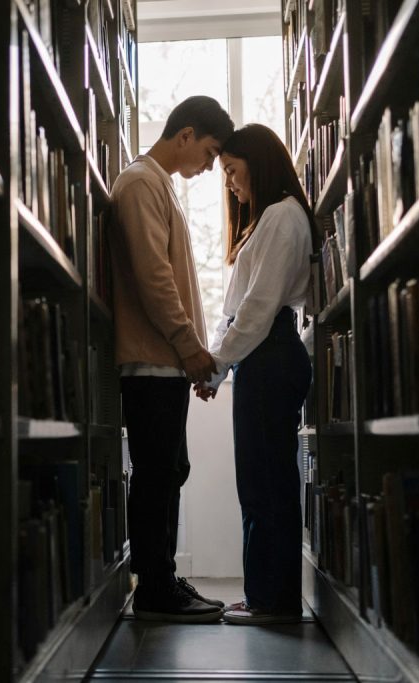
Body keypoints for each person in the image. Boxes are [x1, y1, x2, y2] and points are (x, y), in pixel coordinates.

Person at [109, 95, 234, 622]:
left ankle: (162, 579)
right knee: (157, 473)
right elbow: (154, 278)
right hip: (150, 359)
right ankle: (156, 590)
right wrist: (188, 346)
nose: (208, 167)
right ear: (185, 135)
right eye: (208, 153)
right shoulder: (141, 183)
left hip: (165, 361)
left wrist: (188, 355)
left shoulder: (157, 185)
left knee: (169, 470)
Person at [194, 123, 317, 625]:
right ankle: (265, 594)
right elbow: (240, 311)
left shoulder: (282, 216)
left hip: (271, 356)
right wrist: (219, 367)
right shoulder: (271, 217)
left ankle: (274, 600)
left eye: (231, 169)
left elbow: (257, 309)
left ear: (257, 163)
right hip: (262, 358)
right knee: (261, 479)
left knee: (267, 482)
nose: (228, 182)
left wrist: (217, 365)